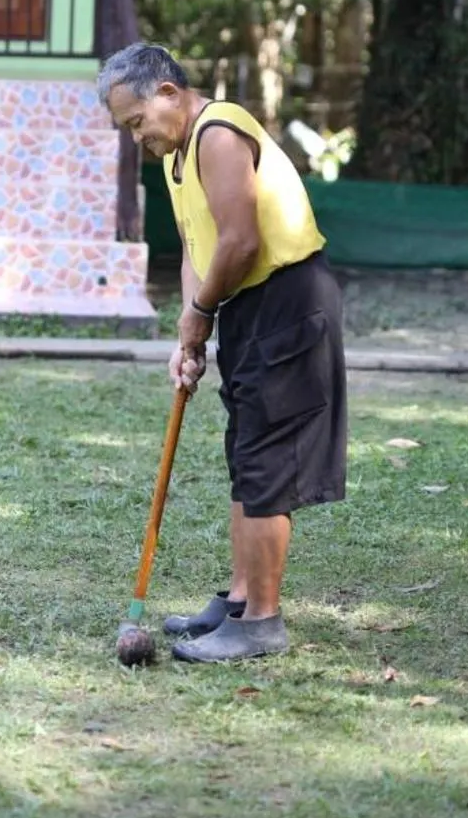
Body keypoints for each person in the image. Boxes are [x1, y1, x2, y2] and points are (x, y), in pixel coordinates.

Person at [98, 41, 347, 663]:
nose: (136, 138)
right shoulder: (176, 157)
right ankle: (239, 600)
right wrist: (193, 330)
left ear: (168, 93)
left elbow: (240, 239)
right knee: (245, 450)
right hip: (244, 307)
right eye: (126, 129)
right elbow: (197, 249)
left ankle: (262, 622)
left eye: (136, 122)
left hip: (286, 301)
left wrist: (202, 311)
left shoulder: (218, 131)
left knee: (265, 457)